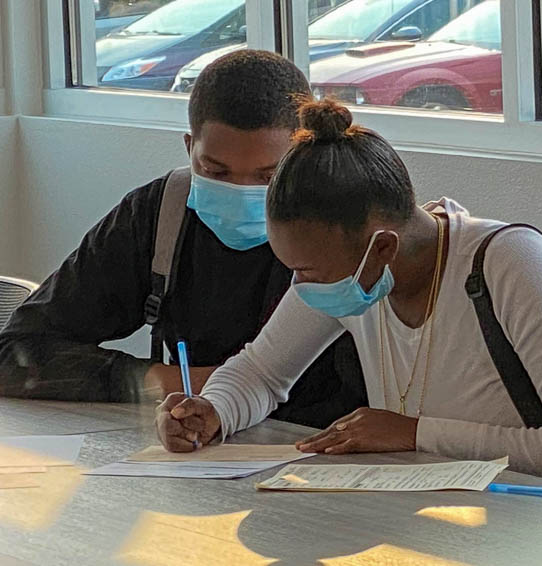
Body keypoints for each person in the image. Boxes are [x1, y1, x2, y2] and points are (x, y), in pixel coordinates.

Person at [157, 98, 542, 480]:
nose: (299, 286)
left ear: (383, 247)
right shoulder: (357, 268)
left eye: (308, 272)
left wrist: (415, 434)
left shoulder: (510, 263)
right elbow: (261, 371)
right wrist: (212, 410)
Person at [0, 51, 368, 428]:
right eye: (215, 171)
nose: (242, 192)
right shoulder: (161, 217)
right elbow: (15, 354)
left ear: (302, 159)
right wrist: (171, 383)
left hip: (326, 451)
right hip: (198, 446)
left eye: (268, 178)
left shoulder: (347, 232)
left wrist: (239, 383)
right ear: (190, 147)